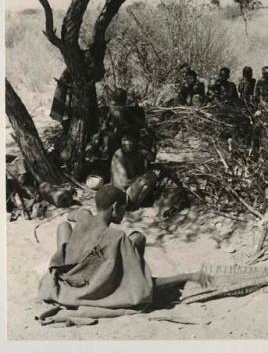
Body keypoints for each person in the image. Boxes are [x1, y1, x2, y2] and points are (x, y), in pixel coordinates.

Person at [38, 185, 212, 311]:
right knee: (137, 238)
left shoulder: (84, 215)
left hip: (64, 277)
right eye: (123, 209)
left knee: (63, 227)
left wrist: (84, 218)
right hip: (85, 284)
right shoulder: (116, 237)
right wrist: (190, 276)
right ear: (114, 208)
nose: (124, 213)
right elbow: (146, 286)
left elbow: (70, 215)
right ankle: (128, 273)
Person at [111, 132, 158, 210]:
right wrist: (140, 178)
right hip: (121, 195)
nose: (127, 147)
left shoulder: (133, 152)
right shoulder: (120, 155)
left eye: (130, 145)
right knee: (148, 178)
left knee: (147, 184)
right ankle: (130, 206)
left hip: (128, 192)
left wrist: (147, 151)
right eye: (125, 145)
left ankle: (134, 206)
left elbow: (151, 158)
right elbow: (124, 183)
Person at [50, 69, 74, 134]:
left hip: (66, 93)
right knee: (65, 115)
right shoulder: (68, 70)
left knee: (66, 115)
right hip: (64, 94)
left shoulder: (69, 70)